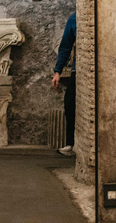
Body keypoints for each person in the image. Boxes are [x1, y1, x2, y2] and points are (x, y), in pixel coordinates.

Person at [52, 12, 76, 156]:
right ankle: (71, 144)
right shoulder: (74, 19)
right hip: (77, 70)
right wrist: (57, 72)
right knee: (70, 104)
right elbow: (65, 47)